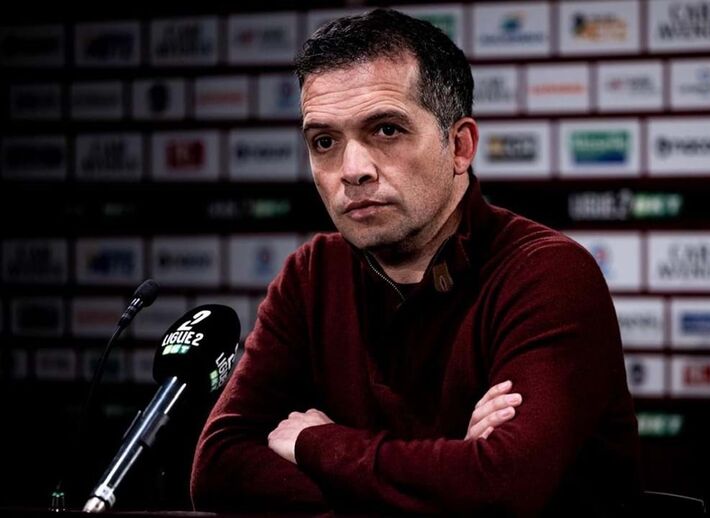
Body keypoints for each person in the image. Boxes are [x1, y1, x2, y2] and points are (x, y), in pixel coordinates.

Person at [191, 8, 639, 515]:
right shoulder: (310, 275)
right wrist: (447, 472)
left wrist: (318, 445)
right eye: (324, 142)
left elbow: (500, 489)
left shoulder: (548, 274)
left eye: (386, 130)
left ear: (459, 146)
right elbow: (219, 469)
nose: (352, 170)